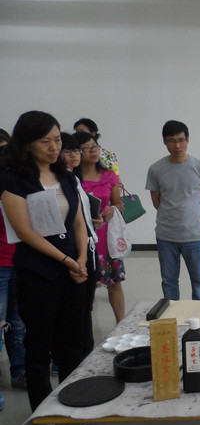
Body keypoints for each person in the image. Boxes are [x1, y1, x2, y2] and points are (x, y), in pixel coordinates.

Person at [0, 111, 88, 410]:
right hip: (38, 274)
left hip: (73, 271)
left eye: (57, 140)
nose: (54, 147)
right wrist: (67, 260)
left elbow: (78, 221)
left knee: (72, 343)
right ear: (27, 144)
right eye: (45, 141)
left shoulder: (67, 176)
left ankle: (72, 404)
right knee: (39, 345)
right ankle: (42, 411)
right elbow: (25, 232)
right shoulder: (14, 180)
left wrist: (81, 259)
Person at [145, 120, 200, 300]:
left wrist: (192, 217)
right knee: (169, 281)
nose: (177, 146)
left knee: (199, 281)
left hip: (195, 236)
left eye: (181, 140)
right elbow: (156, 201)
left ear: (188, 140)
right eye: (172, 141)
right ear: (164, 142)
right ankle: (172, 314)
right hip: (166, 236)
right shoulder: (155, 169)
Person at [74, 131, 125, 322]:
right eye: (86, 148)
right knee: (85, 288)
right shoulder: (72, 179)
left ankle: (121, 324)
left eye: (94, 146)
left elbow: (118, 204)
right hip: (83, 239)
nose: (92, 151)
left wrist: (112, 210)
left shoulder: (109, 176)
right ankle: (84, 327)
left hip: (106, 238)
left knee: (114, 284)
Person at [59, 133, 102, 356]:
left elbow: (80, 216)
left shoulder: (74, 178)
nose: (74, 155)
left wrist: (94, 221)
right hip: (74, 250)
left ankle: (87, 352)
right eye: (67, 150)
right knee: (75, 308)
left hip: (89, 247)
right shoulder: (58, 181)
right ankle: (75, 356)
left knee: (86, 306)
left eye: (76, 150)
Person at [0, 130, 27, 412]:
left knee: (18, 323)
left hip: (20, 263)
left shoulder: (18, 185)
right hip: (0, 267)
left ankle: (20, 372)